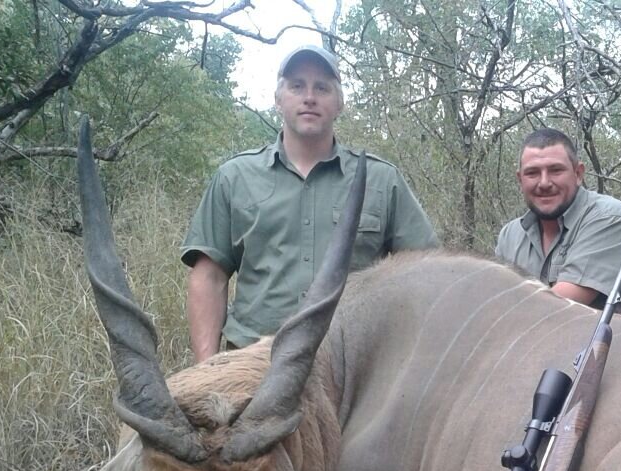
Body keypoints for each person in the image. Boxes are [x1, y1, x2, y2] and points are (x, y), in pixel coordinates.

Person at [182, 44, 439, 362]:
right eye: (297, 85)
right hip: (253, 363)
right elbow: (209, 277)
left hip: (352, 368)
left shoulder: (382, 180)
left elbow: (427, 273)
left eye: (322, 87)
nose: (309, 97)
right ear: (279, 99)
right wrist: (208, 369)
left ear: (340, 102)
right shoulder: (234, 177)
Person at [494, 128, 621, 322]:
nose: (544, 182)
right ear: (520, 180)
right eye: (533, 173)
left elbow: (555, 309)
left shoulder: (610, 219)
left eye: (555, 170)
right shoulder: (510, 235)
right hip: (563, 346)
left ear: (578, 174)